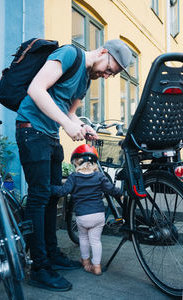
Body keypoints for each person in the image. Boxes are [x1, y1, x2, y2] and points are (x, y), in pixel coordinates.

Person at [15, 39, 132, 291]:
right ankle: (39, 267)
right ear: (103, 52)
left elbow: (69, 112)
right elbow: (36, 89)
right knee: (39, 197)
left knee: (52, 197)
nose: (107, 76)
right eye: (110, 69)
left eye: (112, 75)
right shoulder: (69, 54)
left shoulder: (86, 80)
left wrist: (79, 124)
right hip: (31, 130)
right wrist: (67, 125)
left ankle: (52, 254)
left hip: (50, 136)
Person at [51, 144, 122, 276]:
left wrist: (50, 188)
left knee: (83, 238)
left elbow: (63, 191)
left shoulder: (74, 177)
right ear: (94, 162)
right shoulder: (100, 176)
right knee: (95, 241)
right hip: (98, 215)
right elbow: (111, 190)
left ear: (77, 162)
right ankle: (97, 266)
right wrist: (121, 192)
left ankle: (85, 261)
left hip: (82, 216)